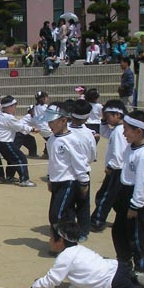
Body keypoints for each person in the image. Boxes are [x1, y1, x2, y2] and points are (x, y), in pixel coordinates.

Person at [111, 110, 144, 281]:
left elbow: (143, 182)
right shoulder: (130, 148)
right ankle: (124, 262)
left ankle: (142, 268)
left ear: (139, 131)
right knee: (118, 232)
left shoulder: (143, 155)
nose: (124, 132)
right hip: (125, 193)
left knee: (136, 236)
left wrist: (135, 205)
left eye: (127, 129)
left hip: (135, 197)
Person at [43, 103, 90, 252]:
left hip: (69, 182)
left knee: (55, 215)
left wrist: (83, 182)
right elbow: (52, 162)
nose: (50, 125)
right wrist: (50, 178)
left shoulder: (72, 140)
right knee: (66, 214)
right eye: (48, 121)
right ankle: (68, 244)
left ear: (64, 120)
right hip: (57, 182)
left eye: (52, 121)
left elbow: (79, 162)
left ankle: (59, 243)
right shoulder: (51, 140)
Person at [90, 100, 128, 233]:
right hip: (121, 170)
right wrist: (104, 121)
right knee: (117, 197)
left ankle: (97, 221)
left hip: (116, 170)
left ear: (118, 115)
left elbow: (118, 153)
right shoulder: (121, 129)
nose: (106, 119)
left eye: (108, 116)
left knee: (104, 196)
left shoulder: (119, 132)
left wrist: (111, 167)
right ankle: (123, 219)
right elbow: (105, 133)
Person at [69, 99, 98, 242]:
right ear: (87, 117)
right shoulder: (89, 134)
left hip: (67, 174)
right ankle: (83, 231)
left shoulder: (64, 131)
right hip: (84, 173)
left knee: (68, 203)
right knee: (83, 203)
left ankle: (67, 231)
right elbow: (92, 155)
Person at [0, 96, 36, 187]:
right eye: (14, 106)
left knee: (11, 159)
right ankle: (24, 180)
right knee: (20, 158)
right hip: (5, 142)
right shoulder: (8, 118)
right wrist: (32, 129)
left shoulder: (2, 116)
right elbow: (20, 127)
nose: (15, 108)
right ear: (8, 107)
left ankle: (9, 177)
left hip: (0, 142)